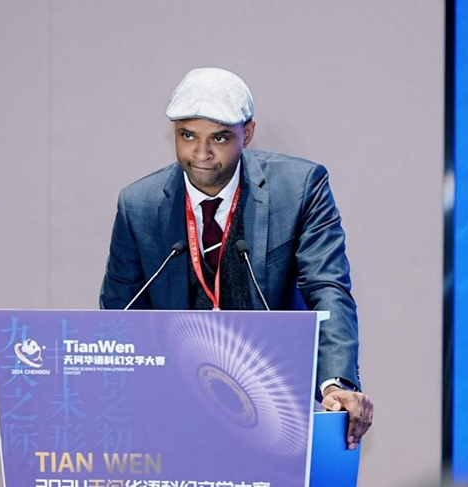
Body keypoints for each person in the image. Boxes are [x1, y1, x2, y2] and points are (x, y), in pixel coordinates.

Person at [100, 67, 373, 450]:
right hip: (173, 411)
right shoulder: (139, 205)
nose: (201, 154)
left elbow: (327, 288)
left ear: (248, 132)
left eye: (219, 138)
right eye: (188, 136)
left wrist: (335, 383)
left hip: (275, 407)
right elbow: (121, 314)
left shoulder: (300, 189)